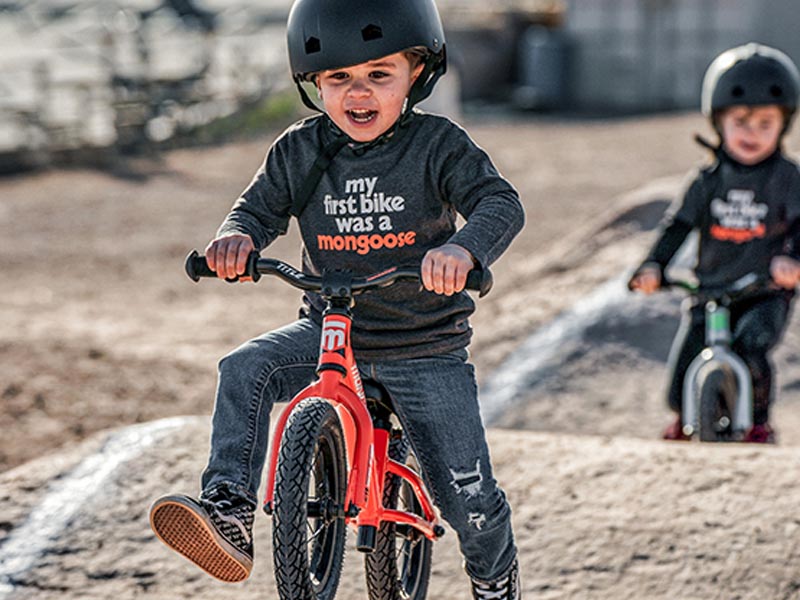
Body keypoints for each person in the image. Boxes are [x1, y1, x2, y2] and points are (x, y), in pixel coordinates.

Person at [148, 0, 525, 597]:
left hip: (423, 344)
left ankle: (494, 578)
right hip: (329, 330)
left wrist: (465, 252)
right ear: (314, 84)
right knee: (244, 366)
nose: (359, 92)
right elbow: (256, 210)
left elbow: (499, 203)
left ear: (417, 72)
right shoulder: (301, 150)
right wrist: (236, 239)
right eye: (338, 78)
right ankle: (229, 511)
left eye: (380, 74)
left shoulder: (437, 144)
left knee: (468, 498)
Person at [629, 43, 800, 443]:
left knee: (750, 348)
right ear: (718, 121)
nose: (752, 133)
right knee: (679, 383)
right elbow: (677, 226)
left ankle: (758, 424)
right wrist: (654, 265)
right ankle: (689, 419)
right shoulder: (707, 181)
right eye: (741, 120)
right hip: (710, 289)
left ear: (784, 123)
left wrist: (791, 259)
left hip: (764, 292)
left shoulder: (788, 178)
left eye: (765, 123)